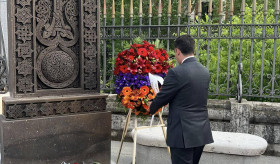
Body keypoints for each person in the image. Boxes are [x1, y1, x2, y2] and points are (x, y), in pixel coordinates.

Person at [149, 35, 214, 164]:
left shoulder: (176, 73)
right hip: (201, 132)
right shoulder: (204, 72)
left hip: (182, 134)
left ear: (178, 51)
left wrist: (151, 107)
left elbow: (162, 97)